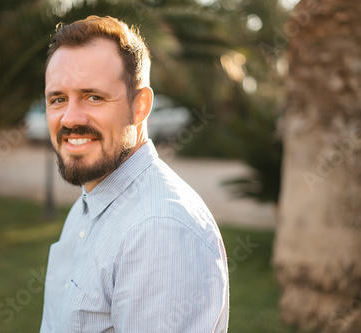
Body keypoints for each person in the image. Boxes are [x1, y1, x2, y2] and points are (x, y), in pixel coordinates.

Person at [40, 15, 229, 332]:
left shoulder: (160, 229)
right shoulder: (89, 204)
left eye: (93, 97)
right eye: (58, 99)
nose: (70, 118)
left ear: (140, 106)